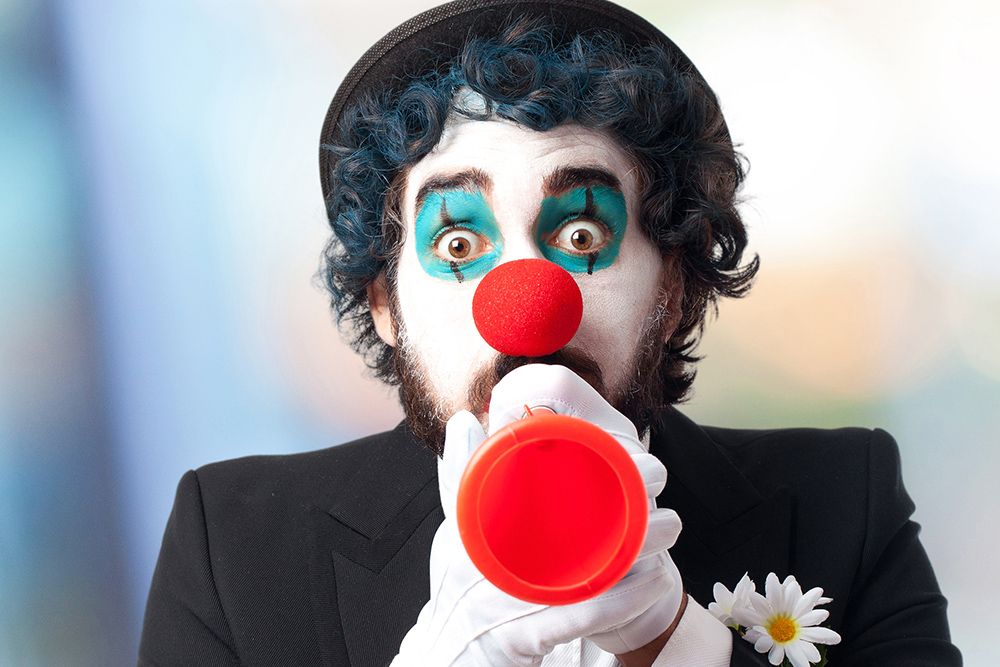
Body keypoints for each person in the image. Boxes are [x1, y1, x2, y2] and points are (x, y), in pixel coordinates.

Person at [138, 1, 962, 665]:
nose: (527, 301)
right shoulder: (236, 543)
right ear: (387, 305)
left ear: (670, 284)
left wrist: (675, 641)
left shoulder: (844, 502)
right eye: (460, 244)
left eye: (579, 235)